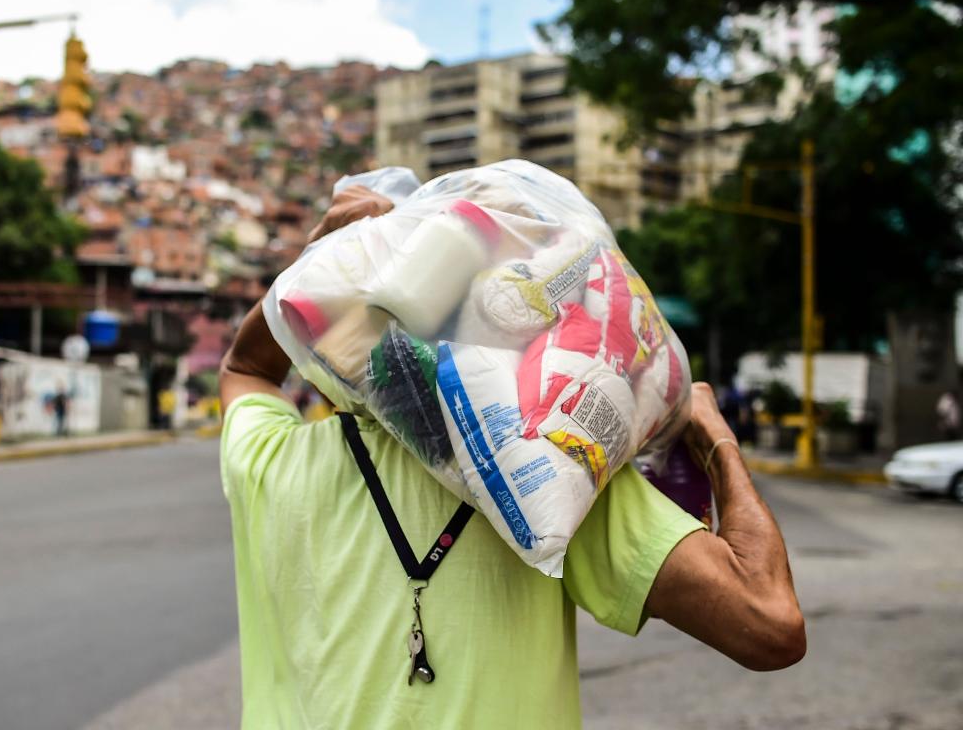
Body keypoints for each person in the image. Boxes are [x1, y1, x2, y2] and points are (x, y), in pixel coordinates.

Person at [219, 187, 805, 729]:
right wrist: (715, 440)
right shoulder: (548, 480)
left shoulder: (270, 463)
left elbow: (246, 369)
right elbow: (768, 623)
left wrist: (330, 259)